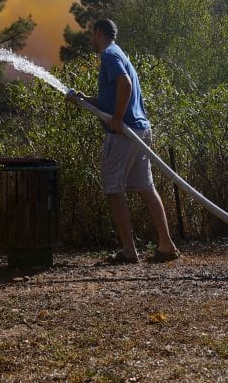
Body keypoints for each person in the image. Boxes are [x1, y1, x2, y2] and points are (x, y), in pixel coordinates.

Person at [68, 18, 180, 263]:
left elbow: (125, 85)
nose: (91, 39)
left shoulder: (109, 54)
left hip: (123, 135)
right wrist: (85, 99)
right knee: (145, 187)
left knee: (113, 189)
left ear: (98, 32)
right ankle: (166, 245)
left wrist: (118, 119)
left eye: (91, 34)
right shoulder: (120, 54)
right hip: (139, 131)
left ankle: (129, 251)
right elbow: (110, 100)